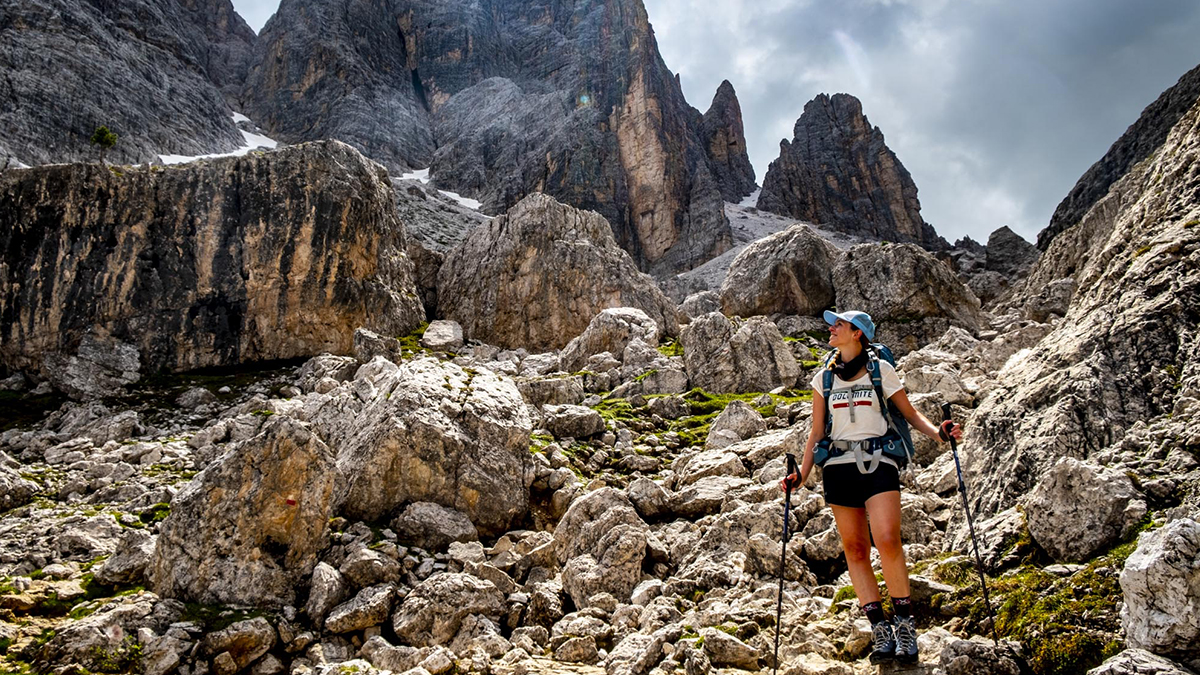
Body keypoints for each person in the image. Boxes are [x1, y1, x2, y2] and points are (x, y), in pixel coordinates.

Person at [781, 310, 962, 664]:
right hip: (837, 467)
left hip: (879, 462)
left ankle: (906, 625)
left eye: (839, 326)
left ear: (858, 334)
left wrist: (939, 433)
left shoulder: (881, 370)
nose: (831, 329)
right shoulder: (824, 380)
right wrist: (801, 475)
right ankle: (880, 628)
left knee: (888, 539)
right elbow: (816, 432)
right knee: (855, 548)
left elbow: (909, 414)